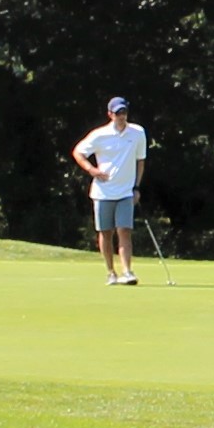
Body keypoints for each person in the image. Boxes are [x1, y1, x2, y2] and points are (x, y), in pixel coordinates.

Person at [72, 96, 148, 286]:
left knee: (125, 231)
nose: (121, 116)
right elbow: (78, 152)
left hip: (125, 192)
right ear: (110, 114)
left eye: (124, 112)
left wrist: (136, 187)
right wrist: (91, 170)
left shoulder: (137, 133)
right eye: (117, 113)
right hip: (103, 192)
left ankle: (127, 271)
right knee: (106, 233)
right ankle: (110, 272)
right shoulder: (100, 135)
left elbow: (140, 162)